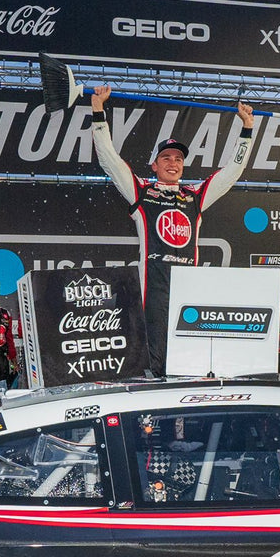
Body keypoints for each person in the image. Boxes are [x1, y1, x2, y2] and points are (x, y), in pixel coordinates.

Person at [90, 85, 256, 375]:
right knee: (154, 357)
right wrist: (98, 112)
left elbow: (232, 173)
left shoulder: (195, 195)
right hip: (153, 281)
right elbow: (109, 159)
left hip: (187, 281)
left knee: (187, 358)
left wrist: (247, 129)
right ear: (154, 165)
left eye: (178, 159)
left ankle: (182, 415)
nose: (173, 163)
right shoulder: (141, 191)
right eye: (166, 158)